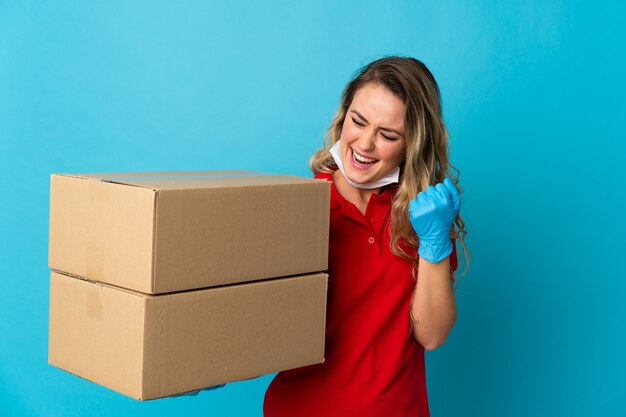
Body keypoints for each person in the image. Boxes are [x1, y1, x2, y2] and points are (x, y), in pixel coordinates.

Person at [263, 56, 469, 417]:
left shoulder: (423, 216)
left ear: (412, 144)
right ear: (343, 116)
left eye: (388, 135)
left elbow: (432, 336)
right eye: (358, 122)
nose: (365, 144)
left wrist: (433, 243)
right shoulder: (299, 211)